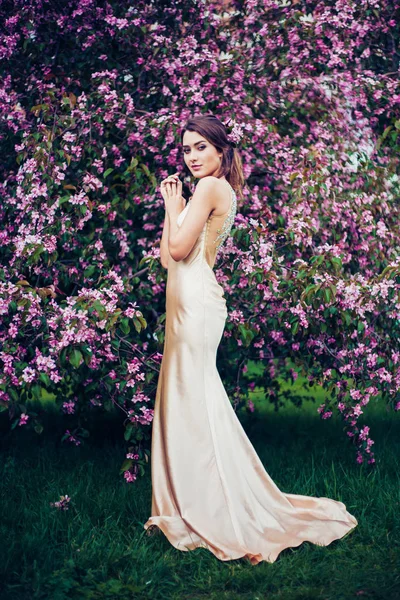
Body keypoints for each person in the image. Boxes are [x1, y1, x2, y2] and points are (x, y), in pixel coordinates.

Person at [143, 114, 358, 565]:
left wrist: (170, 207)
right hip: (184, 301)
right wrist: (174, 210)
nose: (192, 156)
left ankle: (211, 506)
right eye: (186, 149)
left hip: (197, 303)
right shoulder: (205, 192)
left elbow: (182, 251)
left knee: (194, 399)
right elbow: (167, 259)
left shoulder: (210, 188)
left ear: (221, 151)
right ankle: (189, 502)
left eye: (201, 146)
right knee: (184, 399)